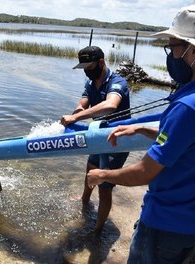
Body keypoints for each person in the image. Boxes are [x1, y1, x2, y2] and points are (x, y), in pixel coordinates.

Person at [87, 5, 195, 263]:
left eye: (173, 47)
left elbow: (145, 172)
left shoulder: (186, 105)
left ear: (193, 51)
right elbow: (183, 139)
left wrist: (102, 175)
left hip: (167, 226)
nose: (171, 54)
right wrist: (142, 127)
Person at [60, 46, 131, 234]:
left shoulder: (117, 82)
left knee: (104, 187)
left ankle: (98, 230)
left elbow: (110, 105)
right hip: (98, 137)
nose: (87, 71)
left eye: (89, 66)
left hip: (117, 141)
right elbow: (81, 106)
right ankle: (84, 200)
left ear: (101, 62)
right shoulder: (90, 84)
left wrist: (76, 118)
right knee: (90, 170)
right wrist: (75, 114)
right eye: (84, 67)